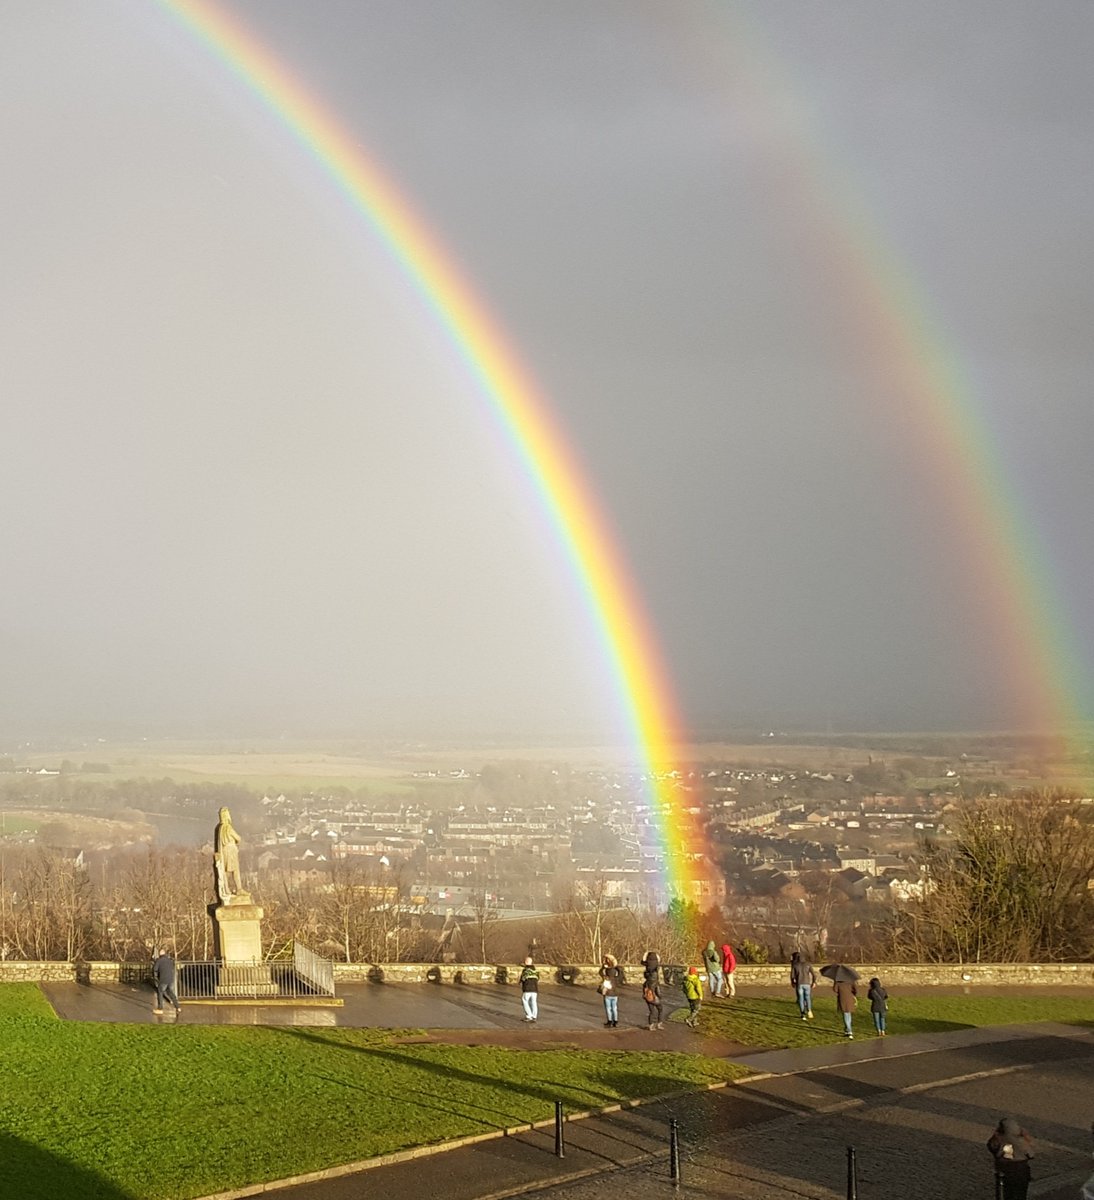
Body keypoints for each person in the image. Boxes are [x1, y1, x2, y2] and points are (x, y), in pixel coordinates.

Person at [987, 1116, 1034, 1200]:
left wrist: (995, 1136)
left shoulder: (999, 1139)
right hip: (1020, 1171)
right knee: (1020, 1194)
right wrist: (1026, 1138)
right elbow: (1031, 1154)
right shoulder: (1021, 1141)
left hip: (1004, 1171)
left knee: (1004, 1194)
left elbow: (991, 1147)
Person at [152, 949, 180, 1016]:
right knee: (170, 992)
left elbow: (155, 969)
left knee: (160, 992)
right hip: (170, 979)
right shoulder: (169, 960)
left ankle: (160, 1009)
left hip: (163, 979)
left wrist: (156, 976)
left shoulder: (159, 960)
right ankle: (178, 1007)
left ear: (160, 954)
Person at [599, 954, 624, 1027]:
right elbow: (620, 975)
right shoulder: (616, 978)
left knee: (608, 1008)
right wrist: (616, 967)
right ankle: (615, 1021)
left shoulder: (606, 977)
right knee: (614, 1008)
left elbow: (600, 972)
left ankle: (610, 1021)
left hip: (607, 993)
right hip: (615, 993)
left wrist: (603, 966)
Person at [790, 951, 817, 1020]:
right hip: (807, 983)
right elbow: (814, 974)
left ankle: (803, 1014)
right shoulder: (808, 964)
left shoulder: (795, 965)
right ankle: (809, 1010)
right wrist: (814, 982)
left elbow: (792, 976)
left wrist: (793, 983)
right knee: (808, 997)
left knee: (801, 999)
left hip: (799, 984)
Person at [519, 957, 539, 1022]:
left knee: (524, 1000)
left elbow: (523, 979)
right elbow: (538, 978)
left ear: (526, 962)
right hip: (535, 989)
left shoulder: (525, 970)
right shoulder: (535, 970)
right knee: (533, 1002)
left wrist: (520, 982)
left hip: (527, 988)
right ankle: (534, 1016)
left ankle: (529, 1015)